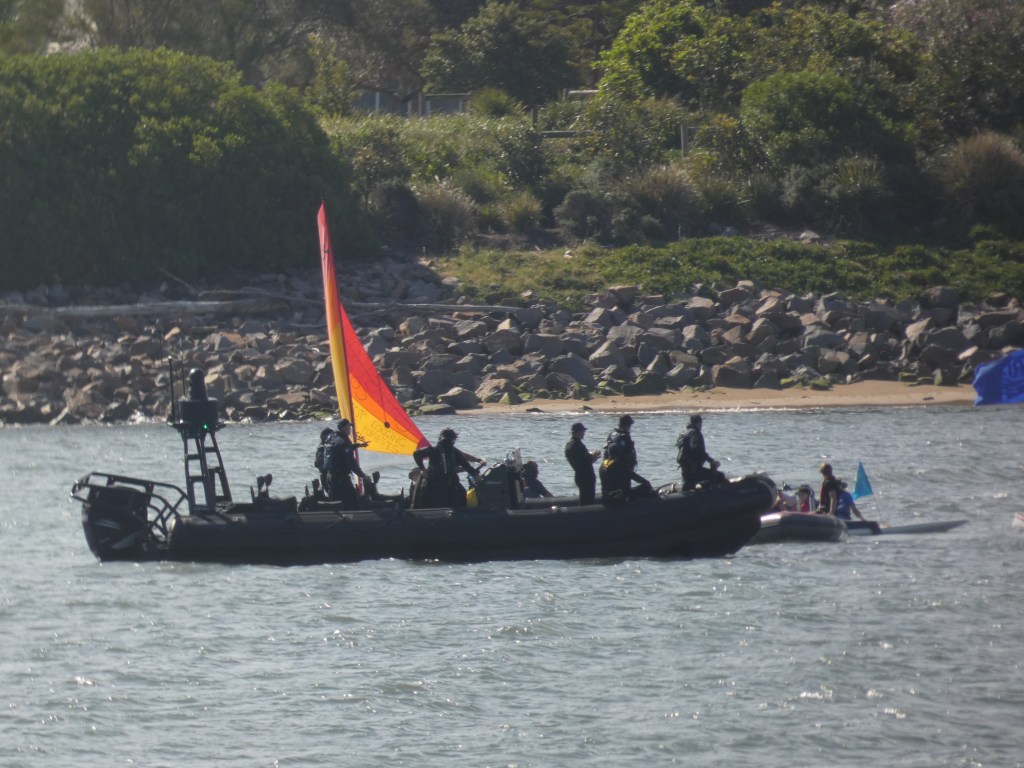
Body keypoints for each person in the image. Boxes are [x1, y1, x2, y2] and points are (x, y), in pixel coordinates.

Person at [413, 428, 481, 508]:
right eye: (448, 440)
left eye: (452, 440)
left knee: (463, 497)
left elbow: (466, 466)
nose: (449, 442)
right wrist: (422, 469)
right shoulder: (433, 450)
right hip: (433, 483)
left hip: (450, 484)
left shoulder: (455, 453)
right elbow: (416, 454)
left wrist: (476, 474)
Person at [599, 415, 653, 501]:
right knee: (641, 486)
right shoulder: (624, 436)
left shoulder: (611, 434)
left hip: (611, 474)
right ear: (627, 425)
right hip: (623, 471)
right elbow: (628, 457)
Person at [325, 419, 369, 509]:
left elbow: (341, 449)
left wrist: (358, 445)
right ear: (344, 428)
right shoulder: (344, 441)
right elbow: (351, 462)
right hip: (341, 478)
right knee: (352, 501)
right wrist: (363, 476)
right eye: (349, 427)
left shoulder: (333, 437)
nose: (350, 429)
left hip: (330, 476)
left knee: (336, 500)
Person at [675, 414, 726, 491]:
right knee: (720, 476)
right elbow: (697, 451)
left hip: (685, 471)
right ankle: (710, 494)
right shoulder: (695, 433)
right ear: (698, 423)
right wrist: (712, 461)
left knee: (690, 484)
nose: (701, 425)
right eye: (701, 423)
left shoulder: (683, 433)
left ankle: (690, 486)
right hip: (695, 471)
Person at [564, 421, 600, 504]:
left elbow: (581, 461)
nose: (584, 433)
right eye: (583, 431)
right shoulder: (576, 445)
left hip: (579, 475)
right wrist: (593, 457)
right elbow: (583, 462)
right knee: (587, 501)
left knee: (584, 499)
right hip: (585, 477)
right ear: (579, 432)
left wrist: (592, 457)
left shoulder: (569, 444)